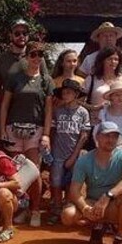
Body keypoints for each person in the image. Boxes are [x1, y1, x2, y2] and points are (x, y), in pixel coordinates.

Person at [61, 121, 122, 244]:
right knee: (68, 215)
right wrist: (85, 208)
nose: (111, 140)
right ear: (97, 137)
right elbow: (74, 190)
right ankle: (97, 226)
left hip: (114, 204)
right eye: (107, 136)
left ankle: (119, 239)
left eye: (114, 136)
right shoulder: (84, 160)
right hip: (93, 204)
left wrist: (108, 196)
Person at [0, 41, 54, 227]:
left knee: (34, 171)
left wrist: (46, 134)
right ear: (27, 56)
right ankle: (21, 209)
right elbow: (5, 105)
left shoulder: (47, 81)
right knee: (17, 173)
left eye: (40, 55)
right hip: (13, 128)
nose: (37, 58)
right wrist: (1, 130)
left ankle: (35, 210)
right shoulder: (15, 78)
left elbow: (48, 111)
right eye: (33, 54)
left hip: (35, 130)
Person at [47, 78, 90, 224]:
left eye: (69, 93)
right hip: (58, 153)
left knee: (72, 183)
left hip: (74, 154)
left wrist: (74, 155)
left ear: (76, 94)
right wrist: (51, 150)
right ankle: (57, 210)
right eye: (64, 93)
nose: (65, 95)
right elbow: (53, 131)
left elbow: (84, 136)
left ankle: (69, 207)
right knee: (56, 182)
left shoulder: (83, 113)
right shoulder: (58, 111)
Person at [0, 19, 32, 124]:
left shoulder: (37, 57)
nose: (21, 36)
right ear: (10, 36)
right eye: (17, 33)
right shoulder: (0, 59)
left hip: (31, 112)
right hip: (7, 111)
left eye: (24, 33)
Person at [79, 21, 122, 87]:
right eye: (105, 36)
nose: (108, 39)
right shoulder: (89, 59)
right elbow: (81, 79)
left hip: (120, 95)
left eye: (111, 36)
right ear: (98, 38)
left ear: (116, 38)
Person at [83, 46, 122, 124]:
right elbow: (80, 102)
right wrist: (94, 109)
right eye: (109, 59)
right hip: (95, 123)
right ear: (102, 61)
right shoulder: (92, 79)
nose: (113, 62)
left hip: (118, 124)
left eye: (116, 59)